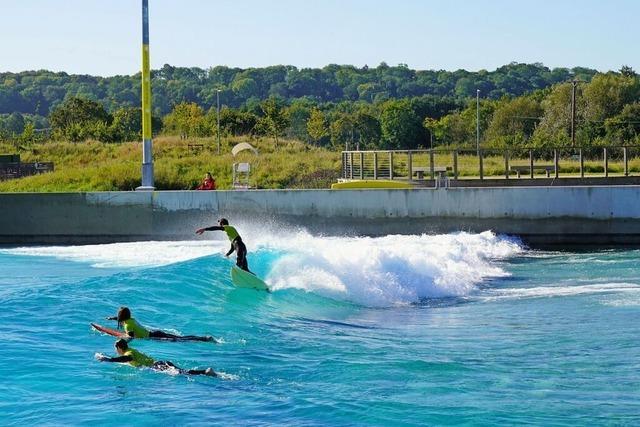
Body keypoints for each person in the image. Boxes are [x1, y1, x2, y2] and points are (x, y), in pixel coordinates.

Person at [95, 338, 217, 377]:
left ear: (119, 348)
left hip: (157, 366)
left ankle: (205, 372)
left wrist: (108, 359)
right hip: (160, 363)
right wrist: (107, 358)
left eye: (116, 349)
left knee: (183, 373)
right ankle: (205, 372)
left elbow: (126, 359)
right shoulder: (130, 350)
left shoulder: (128, 354)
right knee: (183, 372)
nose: (116, 351)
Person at [106, 307, 216, 342]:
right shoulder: (131, 319)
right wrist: (112, 318)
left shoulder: (127, 325)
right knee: (181, 338)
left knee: (181, 340)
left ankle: (204, 339)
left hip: (154, 336)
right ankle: (205, 338)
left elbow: (131, 337)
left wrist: (122, 339)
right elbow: (124, 320)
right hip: (155, 333)